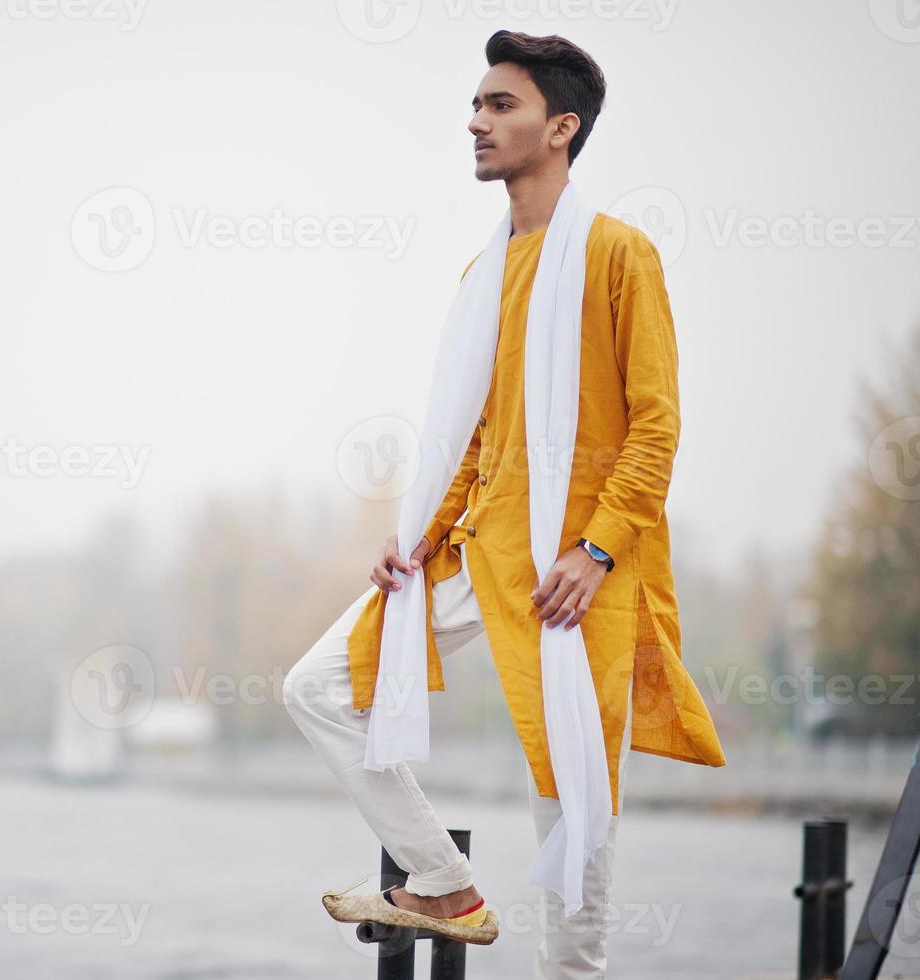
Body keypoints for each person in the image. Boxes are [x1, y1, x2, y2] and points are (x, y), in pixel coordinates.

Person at [283, 29, 726, 978]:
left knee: (571, 818)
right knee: (315, 688)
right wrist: (417, 536)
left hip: (575, 576)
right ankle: (442, 882)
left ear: (560, 128)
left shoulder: (618, 255)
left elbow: (655, 427)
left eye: (500, 105)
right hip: (477, 548)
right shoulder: (481, 275)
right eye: (476, 105)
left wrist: (597, 549)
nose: (476, 121)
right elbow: (479, 436)